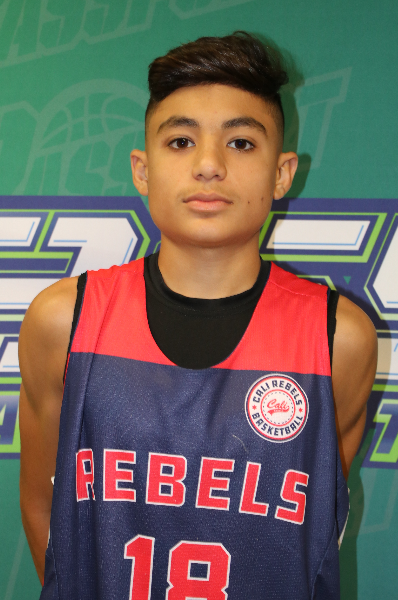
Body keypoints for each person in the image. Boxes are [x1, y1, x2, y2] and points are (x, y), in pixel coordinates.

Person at [19, 32, 377, 599]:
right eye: (181, 141)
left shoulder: (338, 338)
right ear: (142, 169)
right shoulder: (63, 321)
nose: (209, 165)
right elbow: (45, 510)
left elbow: (310, 534)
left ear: (282, 173)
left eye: (241, 143)